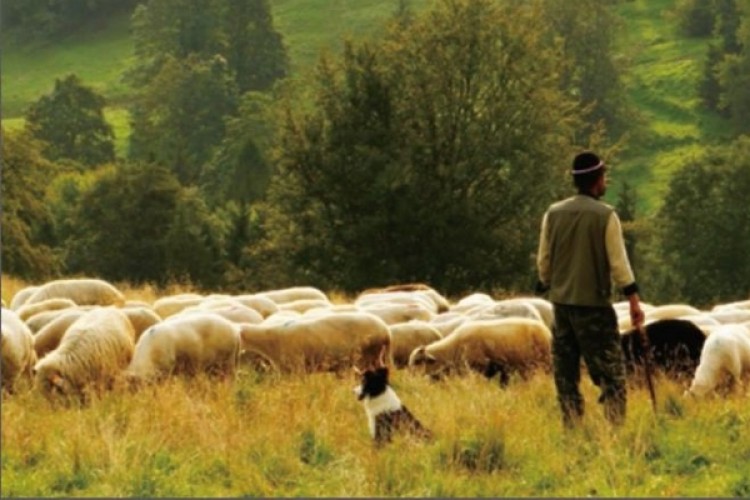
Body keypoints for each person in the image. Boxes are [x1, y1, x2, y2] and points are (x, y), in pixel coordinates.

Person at [535, 151, 644, 428]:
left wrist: (548, 283)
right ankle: (614, 430)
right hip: (593, 307)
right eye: (604, 176)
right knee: (611, 375)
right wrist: (633, 300)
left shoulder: (553, 213)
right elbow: (619, 264)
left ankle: (572, 428)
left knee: (566, 374)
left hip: (561, 306)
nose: (606, 181)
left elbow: (544, 261)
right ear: (597, 180)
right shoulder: (605, 216)